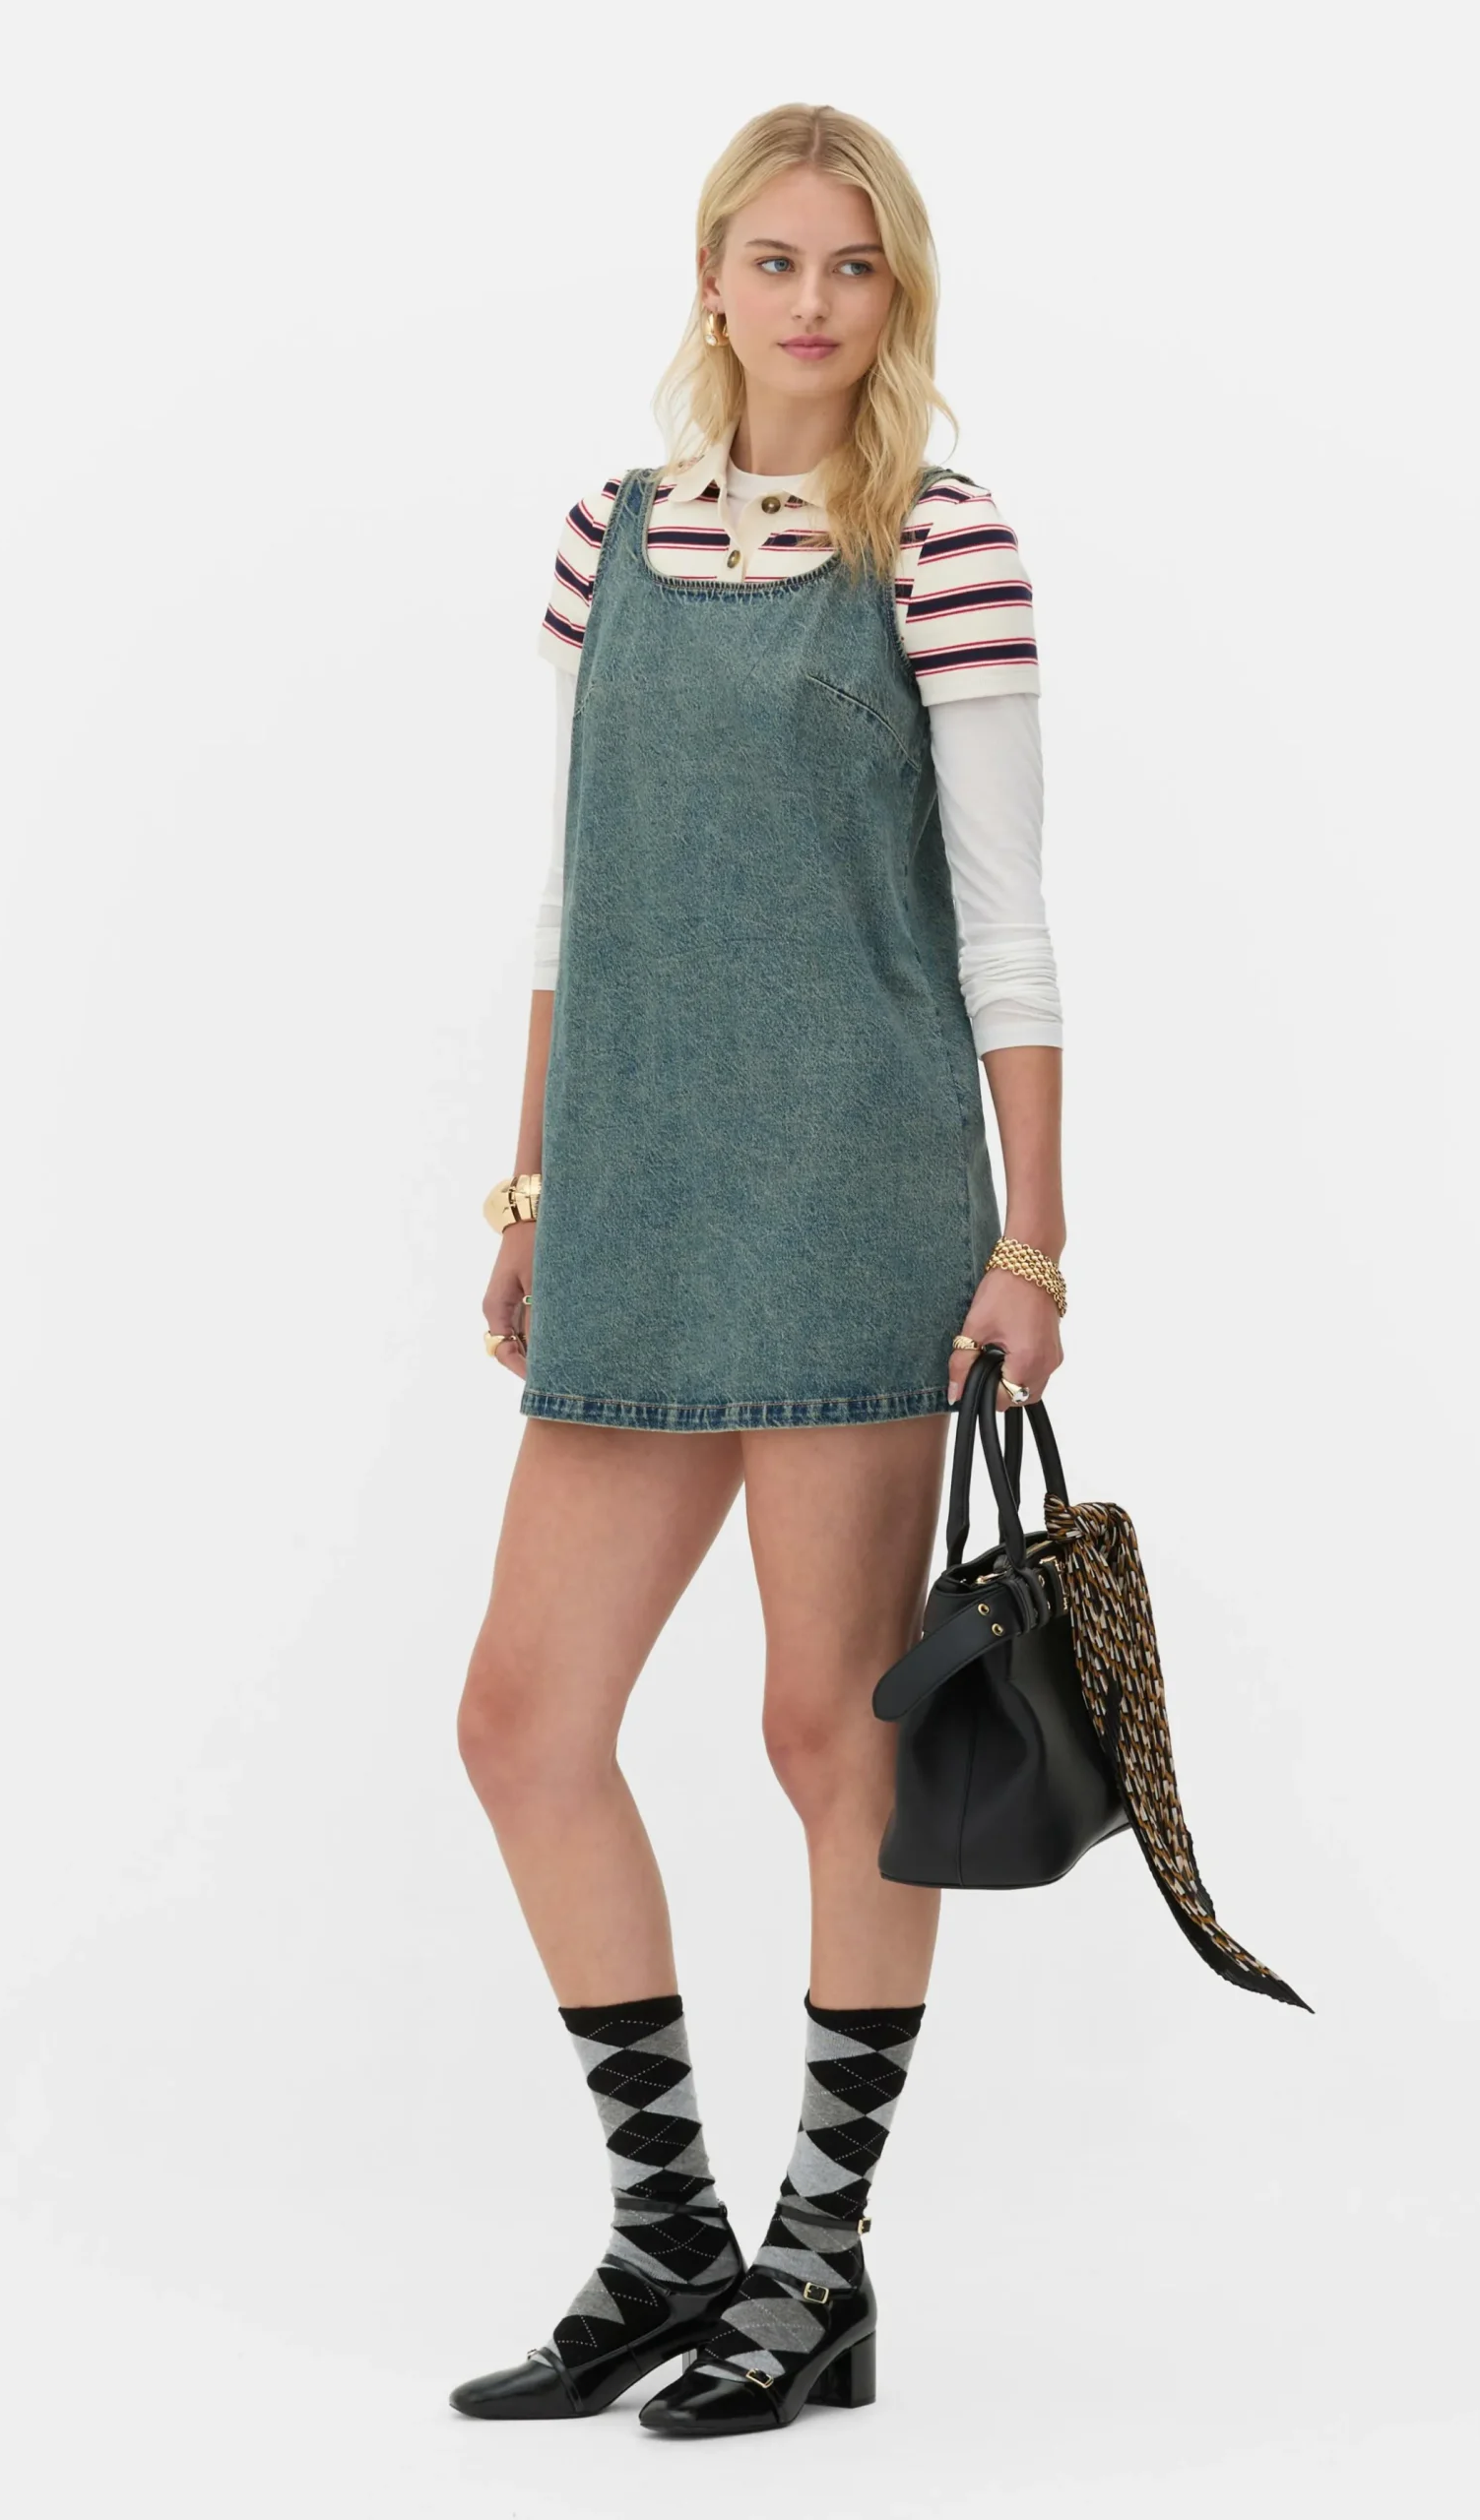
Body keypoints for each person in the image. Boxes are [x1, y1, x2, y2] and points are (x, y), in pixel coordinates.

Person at [450, 100, 1068, 2438]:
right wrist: (534, 1192)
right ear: (710, 277)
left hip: (850, 1191)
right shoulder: (600, 539)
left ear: (896, 296)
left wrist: (1029, 1237)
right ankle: (666, 2238)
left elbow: (1004, 927)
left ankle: (820, 2262)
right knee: (523, 1722)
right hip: (633, 1183)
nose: (813, 301)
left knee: (831, 1729)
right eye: (776, 258)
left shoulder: (945, 543)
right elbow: (570, 895)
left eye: (855, 264)